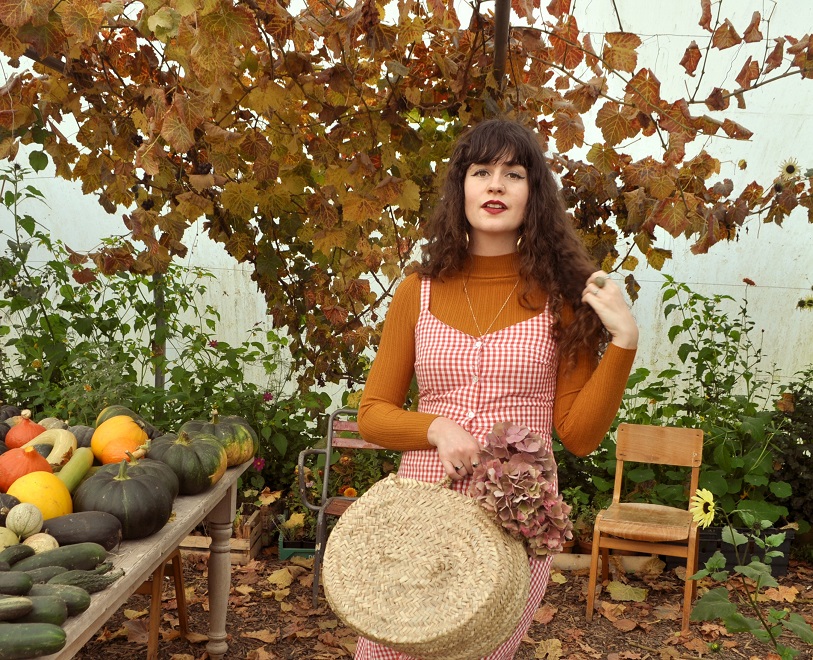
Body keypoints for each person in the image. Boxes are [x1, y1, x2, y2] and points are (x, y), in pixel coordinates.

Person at [355, 118, 638, 659]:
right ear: (460, 187)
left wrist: (624, 340)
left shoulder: (563, 299)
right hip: (420, 514)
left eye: (514, 174)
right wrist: (436, 427)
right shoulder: (416, 291)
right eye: (482, 171)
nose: (496, 185)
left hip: (515, 520)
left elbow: (578, 437)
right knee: (387, 650)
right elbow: (372, 413)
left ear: (534, 193)